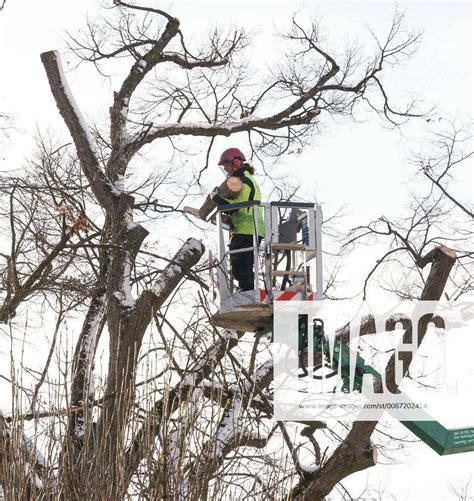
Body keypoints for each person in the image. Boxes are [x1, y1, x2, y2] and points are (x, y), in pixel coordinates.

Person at [210, 148, 264, 291]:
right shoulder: (243, 180)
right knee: (240, 265)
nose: (227, 170)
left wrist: (217, 199)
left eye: (227, 166)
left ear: (236, 162)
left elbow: (238, 206)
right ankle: (247, 291)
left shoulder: (245, 181)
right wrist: (230, 219)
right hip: (245, 228)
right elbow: (239, 209)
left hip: (248, 229)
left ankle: (248, 293)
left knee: (242, 265)